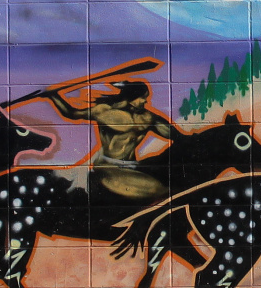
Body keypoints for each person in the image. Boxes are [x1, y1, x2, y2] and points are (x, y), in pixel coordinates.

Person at [39, 79, 179, 203]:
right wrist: (53, 96)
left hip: (133, 165)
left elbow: (174, 134)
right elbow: (72, 113)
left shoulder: (147, 118)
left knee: (166, 186)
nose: (145, 101)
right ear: (131, 98)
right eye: (142, 98)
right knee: (160, 191)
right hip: (108, 168)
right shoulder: (106, 112)